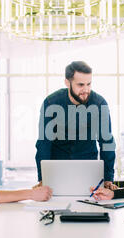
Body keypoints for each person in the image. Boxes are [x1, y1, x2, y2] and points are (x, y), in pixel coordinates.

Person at [35, 61, 117, 189]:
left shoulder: (99, 103)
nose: (86, 90)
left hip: (88, 171)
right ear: (67, 83)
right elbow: (44, 143)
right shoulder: (51, 102)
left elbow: (106, 143)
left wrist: (108, 178)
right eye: (80, 85)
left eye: (89, 84)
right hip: (57, 170)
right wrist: (42, 178)